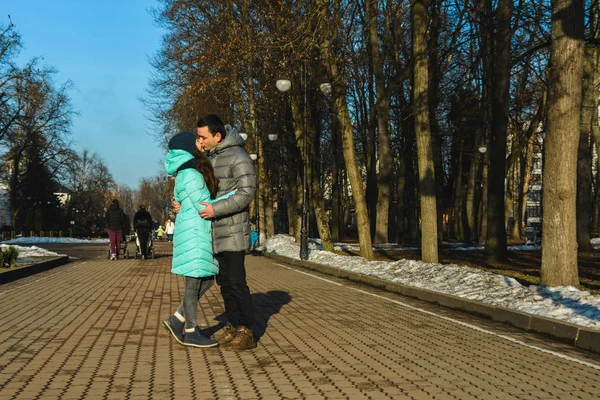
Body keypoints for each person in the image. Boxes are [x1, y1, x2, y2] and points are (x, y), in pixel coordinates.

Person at [162, 131, 234, 348]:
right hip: (195, 234)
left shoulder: (185, 173)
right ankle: (191, 331)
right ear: (188, 147)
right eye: (197, 140)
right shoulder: (191, 174)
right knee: (194, 284)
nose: (201, 143)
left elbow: (190, 201)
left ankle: (177, 320)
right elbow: (205, 205)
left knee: (207, 279)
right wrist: (232, 196)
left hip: (193, 231)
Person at [193, 114, 257, 351]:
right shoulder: (210, 157)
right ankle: (232, 325)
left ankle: (246, 331)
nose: (199, 141)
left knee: (236, 282)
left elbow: (246, 192)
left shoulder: (238, 156)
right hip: (214, 231)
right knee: (225, 284)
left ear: (217, 136)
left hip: (232, 230)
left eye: (203, 136)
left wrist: (215, 209)